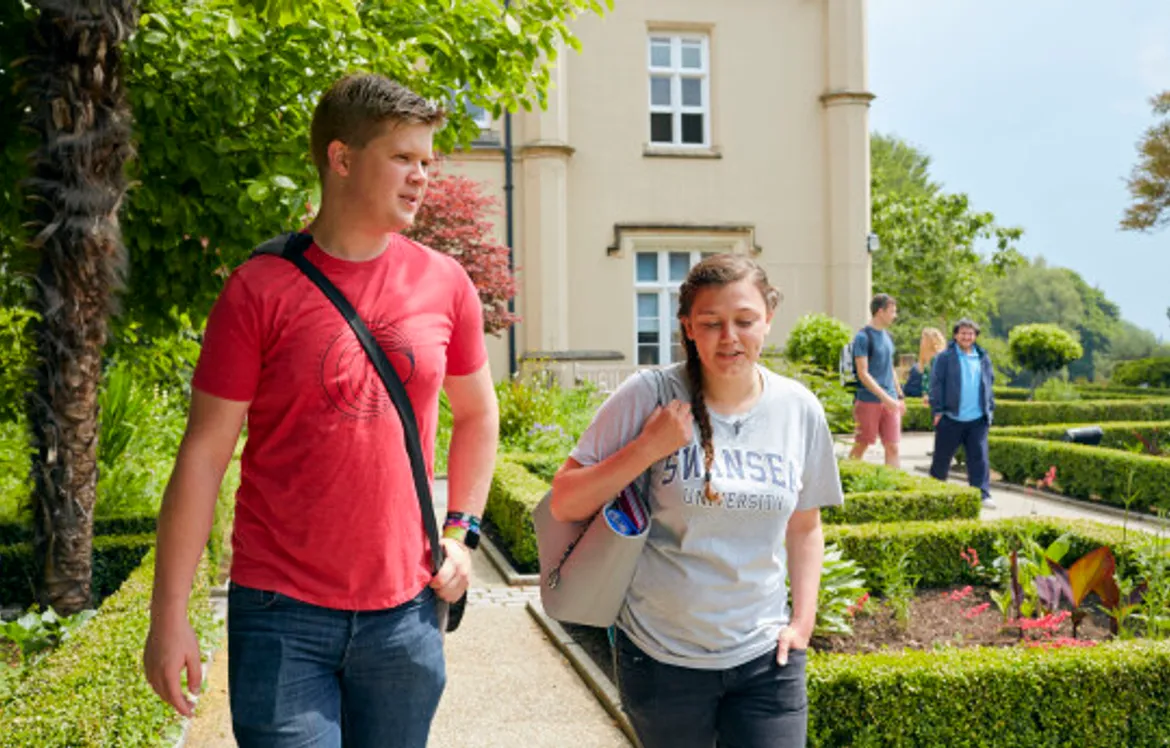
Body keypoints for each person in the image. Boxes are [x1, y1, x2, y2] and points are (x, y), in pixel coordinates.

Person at [142, 73, 500, 748]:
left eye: (427, 160)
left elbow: (479, 416)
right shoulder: (258, 290)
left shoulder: (445, 283)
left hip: (406, 616)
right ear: (341, 159)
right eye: (402, 158)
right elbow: (204, 453)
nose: (422, 176)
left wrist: (464, 531)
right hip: (282, 616)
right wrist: (169, 617)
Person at [550, 254, 843, 748]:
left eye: (745, 321)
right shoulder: (648, 395)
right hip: (662, 660)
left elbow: (804, 525)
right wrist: (647, 448)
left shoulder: (798, 408)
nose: (729, 336)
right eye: (711, 323)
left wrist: (803, 622)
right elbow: (564, 501)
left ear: (768, 320)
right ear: (687, 327)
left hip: (766, 659)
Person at [928, 318, 996, 509]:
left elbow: (989, 384)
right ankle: (933, 492)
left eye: (971, 333)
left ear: (975, 336)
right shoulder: (944, 357)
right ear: (956, 335)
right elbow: (935, 385)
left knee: (979, 458)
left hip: (977, 419)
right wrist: (938, 410)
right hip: (951, 417)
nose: (967, 336)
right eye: (963, 333)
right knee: (941, 458)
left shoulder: (983, 357)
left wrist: (989, 410)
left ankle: (982, 494)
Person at [847, 294, 904, 467]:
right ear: (880, 311)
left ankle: (894, 489)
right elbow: (863, 374)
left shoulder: (889, 336)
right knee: (862, 444)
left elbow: (890, 368)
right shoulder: (863, 337)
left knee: (893, 447)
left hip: (891, 400)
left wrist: (899, 396)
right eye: (892, 311)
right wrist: (884, 398)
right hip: (868, 401)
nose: (895, 316)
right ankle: (848, 478)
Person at [904, 327, 947, 405]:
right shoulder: (928, 363)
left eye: (923, 339)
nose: (921, 342)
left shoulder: (938, 360)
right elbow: (926, 385)